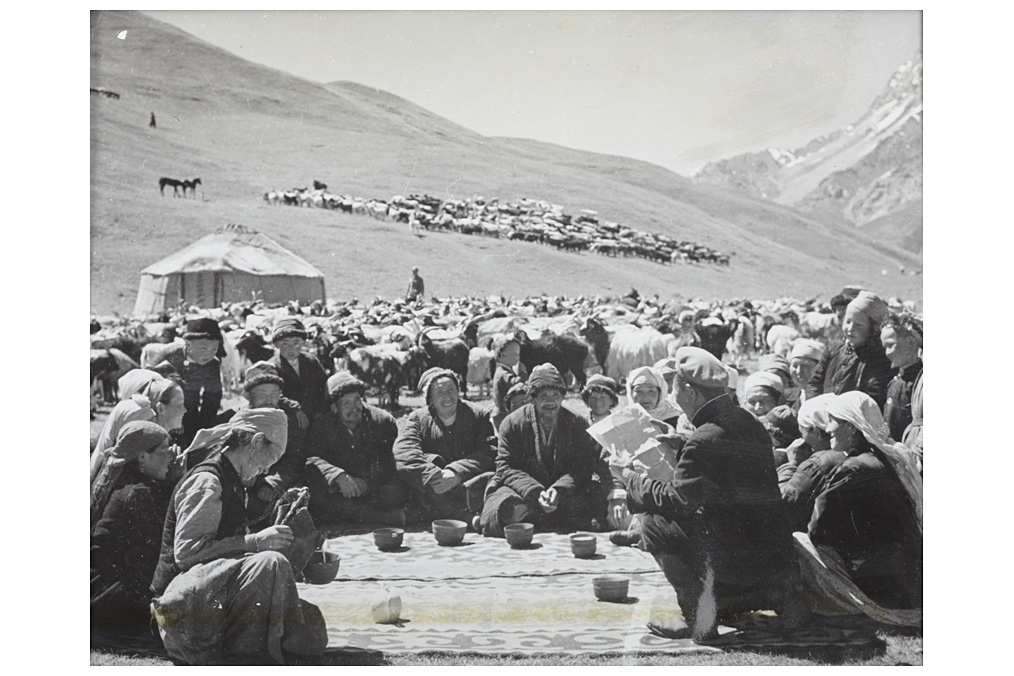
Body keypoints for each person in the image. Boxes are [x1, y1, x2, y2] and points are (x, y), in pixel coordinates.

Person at [619, 347, 807, 642]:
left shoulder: (703, 440)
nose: (675, 400)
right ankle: (746, 599)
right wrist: (683, 443)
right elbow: (724, 465)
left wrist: (631, 480)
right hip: (770, 555)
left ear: (691, 393)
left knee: (652, 523)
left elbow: (679, 500)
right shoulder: (749, 422)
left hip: (735, 560)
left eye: (677, 391)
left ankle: (698, 620)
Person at [150, 409, 328, 665]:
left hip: (206, 596)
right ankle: (246, 659)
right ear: (256, 443)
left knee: (311, 624)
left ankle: (250, 651)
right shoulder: (207, 482)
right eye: (271, 458)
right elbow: (186, 553)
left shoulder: (233, 479)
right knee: (271, 564)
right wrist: (254, 543)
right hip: (178, 609)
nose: (268, 468)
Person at [807, 392, 923, 609]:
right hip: (905, 575)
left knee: (799, 542)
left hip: (882, 583)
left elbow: (817, 527)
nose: (828, 429)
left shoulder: (856, 467)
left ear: (851, 427)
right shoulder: (886, 459)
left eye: (833, 421)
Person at [479, 364, 607, 537]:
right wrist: (536, 492)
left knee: (594, 498)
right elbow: (506, 467)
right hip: (524, 490)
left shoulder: (576, 423)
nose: (550, 402)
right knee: (502, 507)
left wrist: (558, 490)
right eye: (543, 396)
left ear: (563, 398)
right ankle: (541, 515)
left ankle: (540, 516)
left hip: (565, 491)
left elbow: (582, 466)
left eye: (555, 395)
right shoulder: (512, 423)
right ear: (532, 398)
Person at [91, 422, 175, 637]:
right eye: (164, 452)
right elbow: (160, 546)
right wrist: (176, 482)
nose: (171, 458)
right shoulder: (136, 494)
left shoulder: (125, 484)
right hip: (105, 593)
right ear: (142, 457)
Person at [393, 368, 497, 524]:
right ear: (431, 400)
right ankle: (466, 517)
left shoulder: (477, 414)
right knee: (423, 473)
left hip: (469, 481)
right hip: (436, 485)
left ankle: (456, 513)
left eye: (451, 390)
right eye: (440, 393)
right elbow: (404, 452)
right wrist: (434, 474)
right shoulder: (418, 418)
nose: (448, 397)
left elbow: (489, 452)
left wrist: (456, 473)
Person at [303, 373, 409, 527]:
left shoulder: (383, 421)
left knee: (396, 491)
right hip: (341, 489)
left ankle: (361, 515)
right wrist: (338, 476)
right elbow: (310, 458)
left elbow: (390, 460)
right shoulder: (321, 426)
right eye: (346, 403)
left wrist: (366, 483)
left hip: (373, 486)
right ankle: (384, 518)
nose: (354, 408)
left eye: (357, 400)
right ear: (334, 408)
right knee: (316, 496)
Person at [91, 370, 185, 481]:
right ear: (160, 409)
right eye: (179, 405)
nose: (184, 410)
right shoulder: (140, 419)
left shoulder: (156, 422)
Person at [813, 290, 894, 410]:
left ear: (873, 329)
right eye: (847, 321)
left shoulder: (881, 358)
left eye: (858, 325)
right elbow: (815, 381)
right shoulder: (834, 348)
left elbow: (874, 397)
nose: (850, 329)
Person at [160, 317, 227, 446]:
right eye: (204, 348)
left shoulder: (212, 363)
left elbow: (212, 397)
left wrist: (203, 427)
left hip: (191, 414)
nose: (209, 354)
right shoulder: (169, 357)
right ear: (188, 344)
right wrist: (173, 420)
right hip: (164, 416)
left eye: (214, 349)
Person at [269, 318, 329, 444]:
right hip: (288, 419)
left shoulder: (311, 361)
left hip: (314, 414)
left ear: (303, 343)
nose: (291, 349)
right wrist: (295, 409)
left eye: (296, 343)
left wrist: (320, 409)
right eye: (285, 344)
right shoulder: (272, 366)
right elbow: (274, 394)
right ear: (277, 344)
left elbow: (323, 386)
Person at [880, 312, 924, 455]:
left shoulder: (918, 382)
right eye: (884, 347)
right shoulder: (896, 380)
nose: (887, 353)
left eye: (891, 345)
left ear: (910, 341)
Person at [491, 334, 524, 422]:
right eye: (514, 353)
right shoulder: (503, 373)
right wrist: (522, 373)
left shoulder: (506, 370)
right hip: (503, 414)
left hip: (502, 413)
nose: (518, 357)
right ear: (502, 355)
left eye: (518, 354)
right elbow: (516, 384)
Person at [787, 339, 826, 411]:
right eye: (795, 365)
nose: (799, 371)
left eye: (805, 366)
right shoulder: (787, 399)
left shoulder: (827, 396)